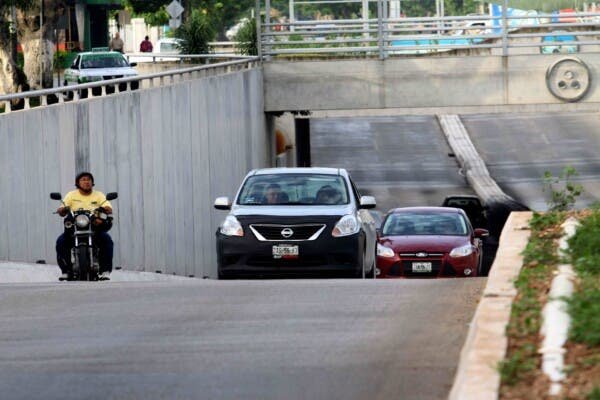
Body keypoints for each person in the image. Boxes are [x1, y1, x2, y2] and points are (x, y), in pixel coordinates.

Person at [55, 172, 114, 281]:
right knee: (61, 241)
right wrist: (61, 210)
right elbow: (63, 208)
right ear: (78, 183)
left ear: (92, 182)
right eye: (83, 180)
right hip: (75, 226)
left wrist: (106, 209)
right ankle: (66, 271)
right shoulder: (71, 195)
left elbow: (107, 206)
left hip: (93, 226)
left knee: (107, 240)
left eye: (89, 180)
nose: (86, 182)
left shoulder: (99, 195)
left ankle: (105, 271)